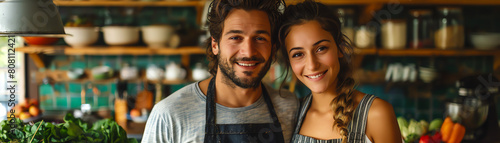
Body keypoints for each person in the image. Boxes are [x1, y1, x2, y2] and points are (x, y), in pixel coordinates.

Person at [141, 0, 299, 142]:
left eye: (259, 38)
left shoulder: (290, 107)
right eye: (236, 37)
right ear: (215, 45)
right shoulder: (170, 114)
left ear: (273, 48)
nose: (249, 52)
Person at [278, 1, 402, 143]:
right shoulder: (291, 116)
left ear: (340, 48)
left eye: (321, 48)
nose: (312, 65)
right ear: (289, 61)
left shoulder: (377, 113)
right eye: (298, 54)